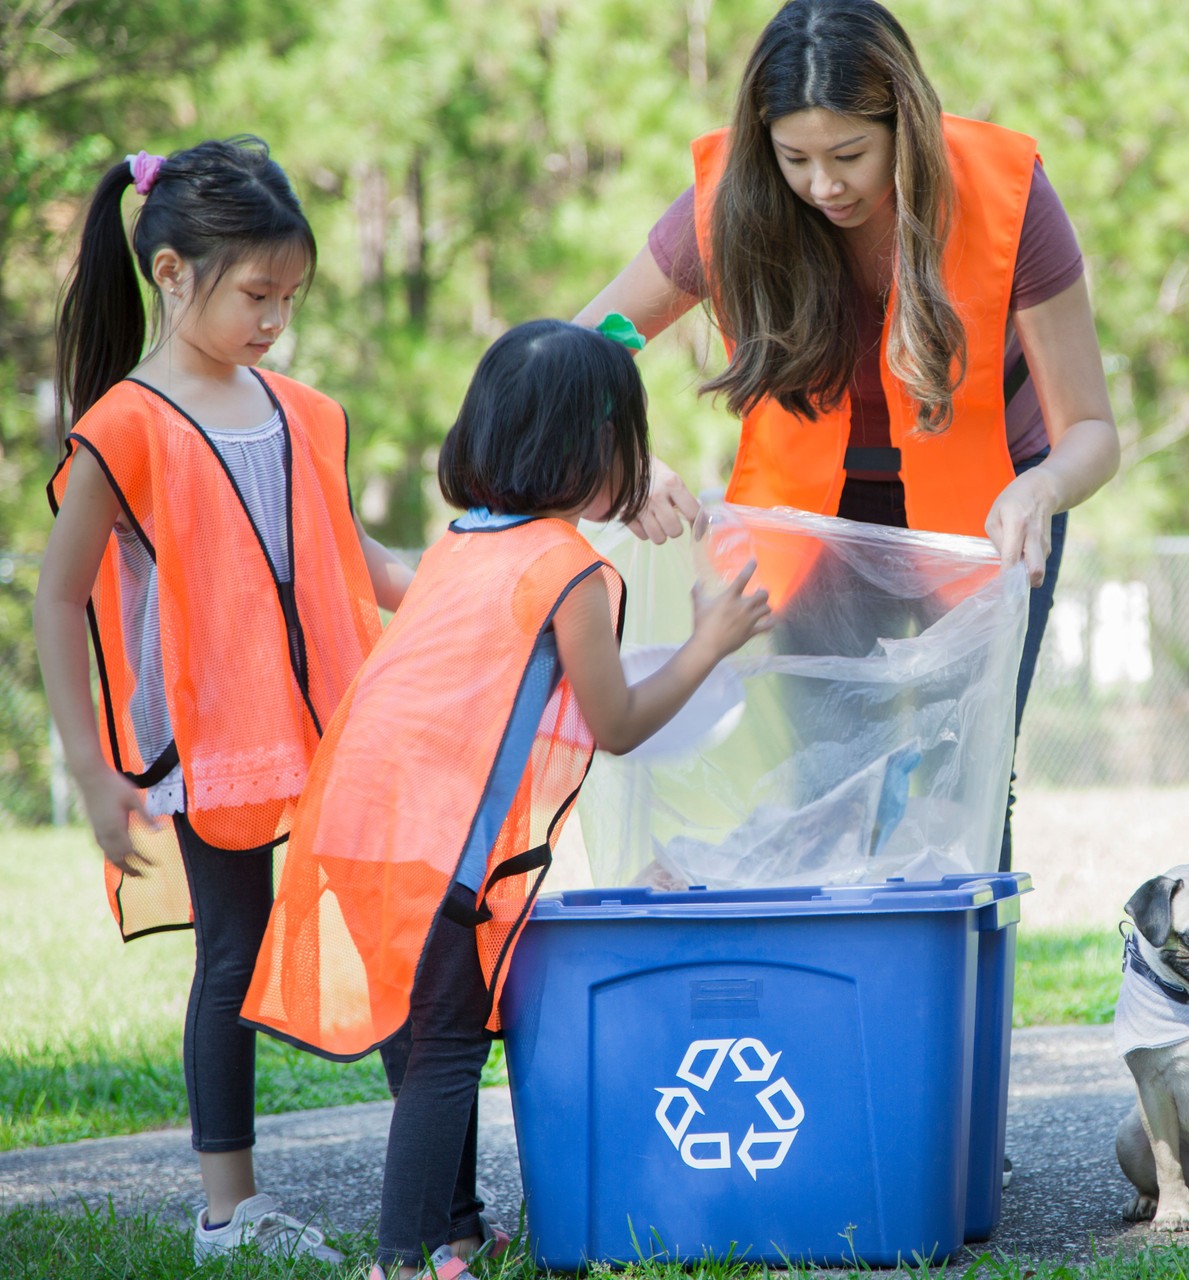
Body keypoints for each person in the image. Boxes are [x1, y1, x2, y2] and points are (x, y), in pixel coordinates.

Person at [240, 320, 773, 1279]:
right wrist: (709, 642)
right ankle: (404, 1261)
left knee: (416, 1045)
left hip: (354, 825)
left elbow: (399, 597)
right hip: (437, 844)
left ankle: (454, 1231)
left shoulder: (461, 545)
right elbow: (614, 722)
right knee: (446, 1050)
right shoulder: (568, 569)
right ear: (599, 450)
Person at [576, 0, 1120, 870]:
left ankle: (955, 1003)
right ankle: (836, 1000)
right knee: (825, 772)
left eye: (850, 155)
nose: (824, 185)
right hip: (812, 523)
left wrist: (1043, 487)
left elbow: (1091, 430)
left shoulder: (1009, 194)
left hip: (989, 513)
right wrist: (620, 456)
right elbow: (589, 343)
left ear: (904, 126)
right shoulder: (735, 204)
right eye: (796, 158)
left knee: (964, 778)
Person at [34, 137, 411, 1264]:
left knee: (395, 933)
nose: (274, 320)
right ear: (173, 273)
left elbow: (356, 559)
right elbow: (57, 600)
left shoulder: (303, 408)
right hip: (214, 736)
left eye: (290, 298)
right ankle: (227, 1211)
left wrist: (479, 565)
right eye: (258, 293)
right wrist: (95, 767)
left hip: (338, 721)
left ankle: (433, 1188)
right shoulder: (126, 426)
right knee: (234, 948)